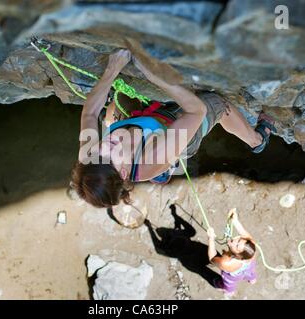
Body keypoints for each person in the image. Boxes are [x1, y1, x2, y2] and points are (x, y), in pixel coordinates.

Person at [71, 47, 276, 209]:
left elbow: (89, 114)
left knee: (117, 102)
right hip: (176, 134)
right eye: (109, 155)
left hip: (144, 123)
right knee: (217, 104)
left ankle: (153, 131)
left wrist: (112, 69)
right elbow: (197, 111)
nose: (104, 144)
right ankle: (257, 141)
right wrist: (155, 75)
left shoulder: (89, 156)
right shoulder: (152, 159)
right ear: (124, 172)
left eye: (98, 150)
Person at [207, 208, 257, 296]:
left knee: (229, 283)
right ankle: (252, 279)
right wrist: (235, 220)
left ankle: (229, 291)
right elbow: (244, 234)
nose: (235, 239)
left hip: (234, 276)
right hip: (249, 266)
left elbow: (212, 258)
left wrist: (211, 238)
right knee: (250, 272)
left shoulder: (226, 263)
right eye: (239, 240)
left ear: (237, 256)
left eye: (237, 245)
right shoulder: (250, 247)